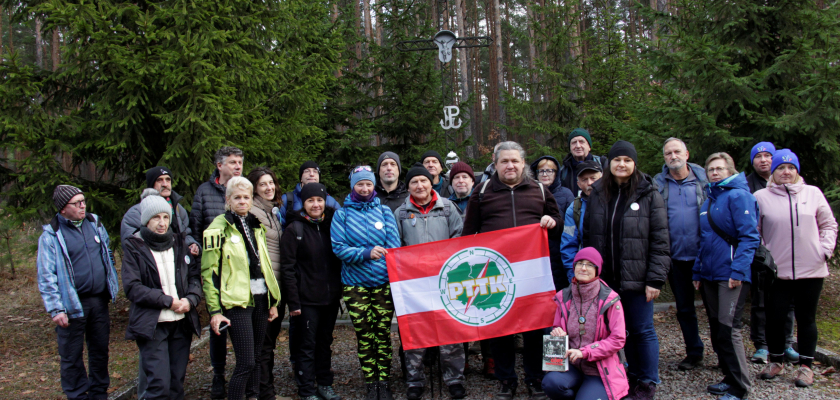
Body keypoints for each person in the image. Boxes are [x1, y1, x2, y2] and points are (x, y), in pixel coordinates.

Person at [463, 141, 563, 400]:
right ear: (495, 164)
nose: (510, 166)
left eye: (515, 161)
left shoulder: (539, 190)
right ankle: (507, 380)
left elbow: (559, 223)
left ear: (523, 164)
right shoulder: (482, 191)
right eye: (504, 161)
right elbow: (468, 235)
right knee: (501, 330)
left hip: (533, 274)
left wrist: (552, 221)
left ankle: (535, 379)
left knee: (535, 329)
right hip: (495, 275)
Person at [581, 140, 669, 400]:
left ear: (634, 163)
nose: (622, 164)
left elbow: (661, 239)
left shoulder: (649, 193)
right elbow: (589, 236)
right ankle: (630, 375)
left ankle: (648, 380)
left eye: (627, 160)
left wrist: (655, 278)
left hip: (639, 279)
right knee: (620, 331)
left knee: (642, 329)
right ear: (610, 163)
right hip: (607, 281)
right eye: (617, 159)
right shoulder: (598, 193)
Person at [756, 149, 838, 388]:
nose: (786, 172)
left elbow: (829, 225)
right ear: (774, 171)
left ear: (797, 171)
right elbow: (755, 231)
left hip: (811, 269)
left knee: (807, 318)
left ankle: (806, 366)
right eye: (781, 168)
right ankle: (777, 360)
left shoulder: (812, 193)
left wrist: (824, 250)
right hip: (777, 271)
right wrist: (764, 256)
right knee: (775, 318)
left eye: (791, 168)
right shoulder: (761, 196)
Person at [202, 177, 282, 400]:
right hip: (236, 301)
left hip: (260, 298)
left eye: (246, 197)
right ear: (228, 200)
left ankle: (253, 396)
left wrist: (273, 300)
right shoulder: (218, 227)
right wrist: (215, 310)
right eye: (237, 197)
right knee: (246, 361)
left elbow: (264, 264)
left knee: (257, 359)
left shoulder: (256, 225)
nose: (242, 201)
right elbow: (210, 273)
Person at [37, 185, 120, 400]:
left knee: (100, 351)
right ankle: (77, 395)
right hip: (72, 305)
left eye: (83, 201)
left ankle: (99, 392)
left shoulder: (95, 224)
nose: (83, 206)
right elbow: (47, 276)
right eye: (77, 203)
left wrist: (111, 282)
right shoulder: (51, 235)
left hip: (99, 301)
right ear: (63, 208)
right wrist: (56, 309)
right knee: (71, 355)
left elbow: (107, 253)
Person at [394, 166, 466, 400]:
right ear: (408, 186)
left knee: (450, 330)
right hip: (413, 283)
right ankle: (414, 380)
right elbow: (396, 246)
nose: (419, 186)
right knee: (414, 332)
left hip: (445, 279)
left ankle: (454, 378)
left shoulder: (447, 207)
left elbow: (459, 237)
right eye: (414, 182)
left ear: (431, 182)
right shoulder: (401, 213)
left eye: (423, 181)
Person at [122, 191, 202, 400]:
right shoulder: (134, 246)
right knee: (159, 386)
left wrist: (190, 300)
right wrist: (168, 301)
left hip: (180, 324)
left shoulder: (179, 243)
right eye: (156, 217)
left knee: (176, 384)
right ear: (146, 220)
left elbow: (194, 278)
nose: (161, 222)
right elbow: (132, 287)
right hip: (153, 324)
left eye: (165, 217)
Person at [692, 152, 759, 400]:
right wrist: (697, 270)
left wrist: (739, 271)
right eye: (711, 169)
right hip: (709, 273)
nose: (715, 173)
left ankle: (741, 386)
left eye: (720, 168)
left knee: (729, 328)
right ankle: (729, 377)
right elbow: (705, 239)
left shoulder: (740, 196)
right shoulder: (709, 200)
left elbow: (749, 237)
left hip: (730, 274)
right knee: (717, 328)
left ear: (730, 171)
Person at [331, 166, 401, 400]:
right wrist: (365, 253)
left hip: (382, 284)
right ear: (353, 186)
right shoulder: (342, 215)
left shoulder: (383, 212)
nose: (364, 188)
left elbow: (393, 247)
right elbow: (338, 248)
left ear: (374, 186)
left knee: (382, 333)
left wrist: (380, 262)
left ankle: (384, 380)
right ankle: (371, 381)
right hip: (355, 285)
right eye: (360, 184)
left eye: (368, 184)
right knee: (365, 334)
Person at [280, 183, 343, 400]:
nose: (315, 205)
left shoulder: (332, 225)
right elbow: (287, 268)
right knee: (306, 346)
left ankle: (325, 384)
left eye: (319, 200)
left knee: (325, 343)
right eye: (310, 201)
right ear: (303, 204)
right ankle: (306, 389)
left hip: (330, 298)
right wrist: (293, 302)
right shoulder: (294, 229)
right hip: (306, 299)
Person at [190, 146, 244, 398]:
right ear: (219, 165)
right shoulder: (204, 192)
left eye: (240, 162)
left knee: (244, 325)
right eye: (232, 162)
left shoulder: (243, 188)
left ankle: (245, 374)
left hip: (240, 271)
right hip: (215, 269)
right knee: (218, 325)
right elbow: (195, 227)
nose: (237, 166)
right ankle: (218, 375)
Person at [541, 247, 629, 400]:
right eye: (579, 263)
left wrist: (585, 352)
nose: (583, 268)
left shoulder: (611, 300)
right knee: (550, 383)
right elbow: (557, 326)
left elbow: (618, 339)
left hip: (600, 370)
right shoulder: (564, 296)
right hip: (572, 366)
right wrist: (558, 332)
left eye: (589, 264)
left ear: (597, 270)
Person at [652, 138, 708, 371]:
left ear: (687, 153)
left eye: (677, 152)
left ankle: (726, 355)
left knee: (715, 310)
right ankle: (694, 352)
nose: (673, 156)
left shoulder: (705, 182)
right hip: (675, 258)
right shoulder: (658, 185)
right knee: (684, 309)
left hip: (704, 256)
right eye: (668, 153)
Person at [743, 142, 797, 364]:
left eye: (768, 156)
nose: (763, 160)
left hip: (787, 252)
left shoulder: (792, 184)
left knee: (788, 301)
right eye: (759, 156)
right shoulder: (747, 186)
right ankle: (762, 345)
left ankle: (787, 343)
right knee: (761, 300)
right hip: (761, 252)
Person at [244, 167, 290, 400]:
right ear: (254, 188)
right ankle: (263, 393)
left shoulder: (272, 211)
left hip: (276, 286)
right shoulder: (252, 213)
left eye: (271, 183)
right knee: (262, 343)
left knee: (267, 343)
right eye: (263, 184)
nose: (269, 188)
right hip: (263, 289)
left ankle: (262, 391)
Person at [121, 167, 200, 255]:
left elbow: (185, 233)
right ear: (151, 184)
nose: (165, 184)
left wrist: (191, 244)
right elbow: (131, 246)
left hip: (177, 264)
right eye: (159, 180)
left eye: (168, 179)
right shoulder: (136, 213)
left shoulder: (178, 209)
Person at [531, 155, 576, 291]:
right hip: (535, 251)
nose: (545, 174)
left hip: (559, 249)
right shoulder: (530, 194)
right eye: (541, 171)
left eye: (549, 171)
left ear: (556, 173)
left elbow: (571, 225)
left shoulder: (566, 194)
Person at [279, 161, 342, 227]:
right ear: (301, 178)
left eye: (315, 171)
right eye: (307, 171)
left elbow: (340, 225)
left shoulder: (330, 201)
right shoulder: (287, 199)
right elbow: (279, 227)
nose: (311, 174)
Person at [556, 128, 608, 195]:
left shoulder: (603, 164)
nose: (578, 146)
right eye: (574, 142)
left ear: (589, 146)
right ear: (570, 148)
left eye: (581, 142)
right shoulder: (563, 171)